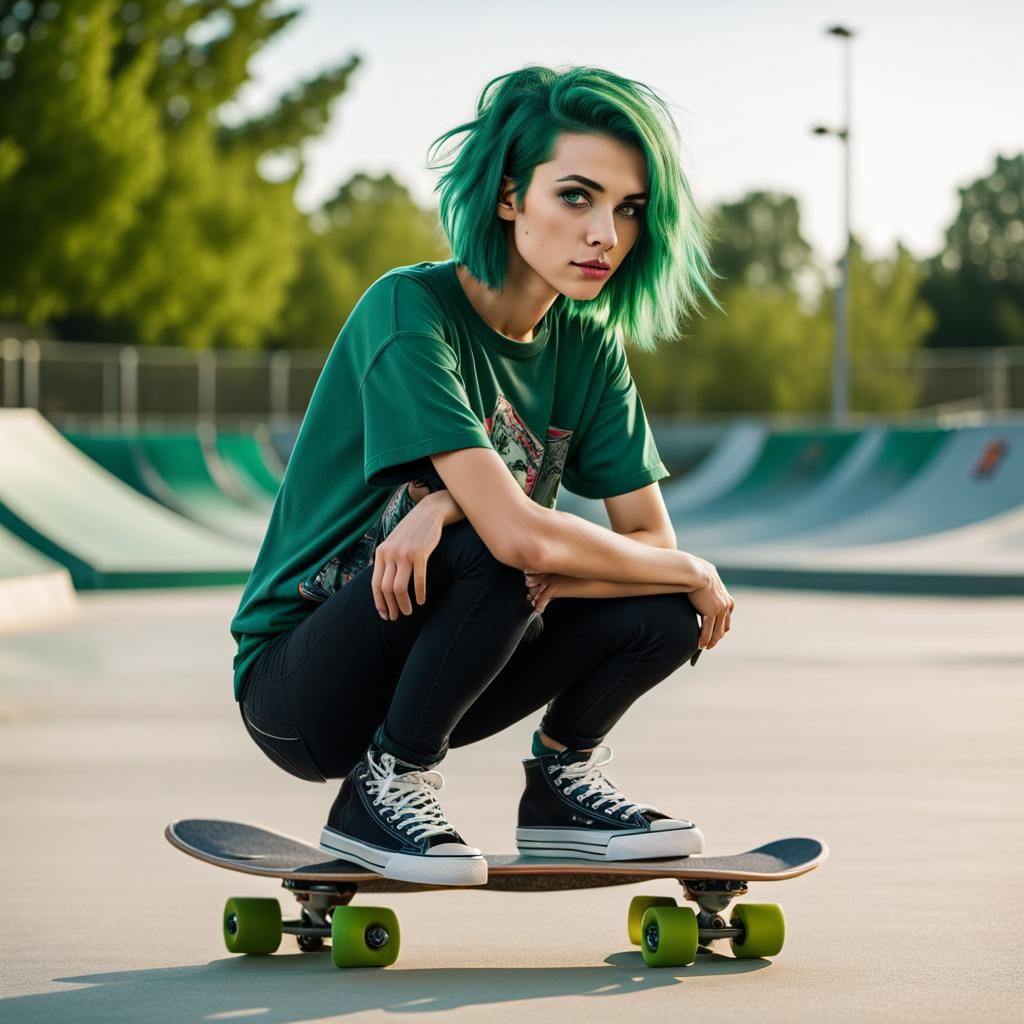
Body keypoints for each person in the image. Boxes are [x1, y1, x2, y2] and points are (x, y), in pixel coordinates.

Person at [230, 65, 734, 888]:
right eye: (576, 197)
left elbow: (643, 542)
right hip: (302, 685)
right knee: (541, 561)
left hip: (453, 654)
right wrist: (690, 569)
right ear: (509, 198)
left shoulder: (587, 346)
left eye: (629, 209)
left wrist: (454, 516)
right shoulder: (408, 311)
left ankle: (562, 782)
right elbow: (524, 536)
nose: (605, 231)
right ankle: (383, 787)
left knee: (662, 608)